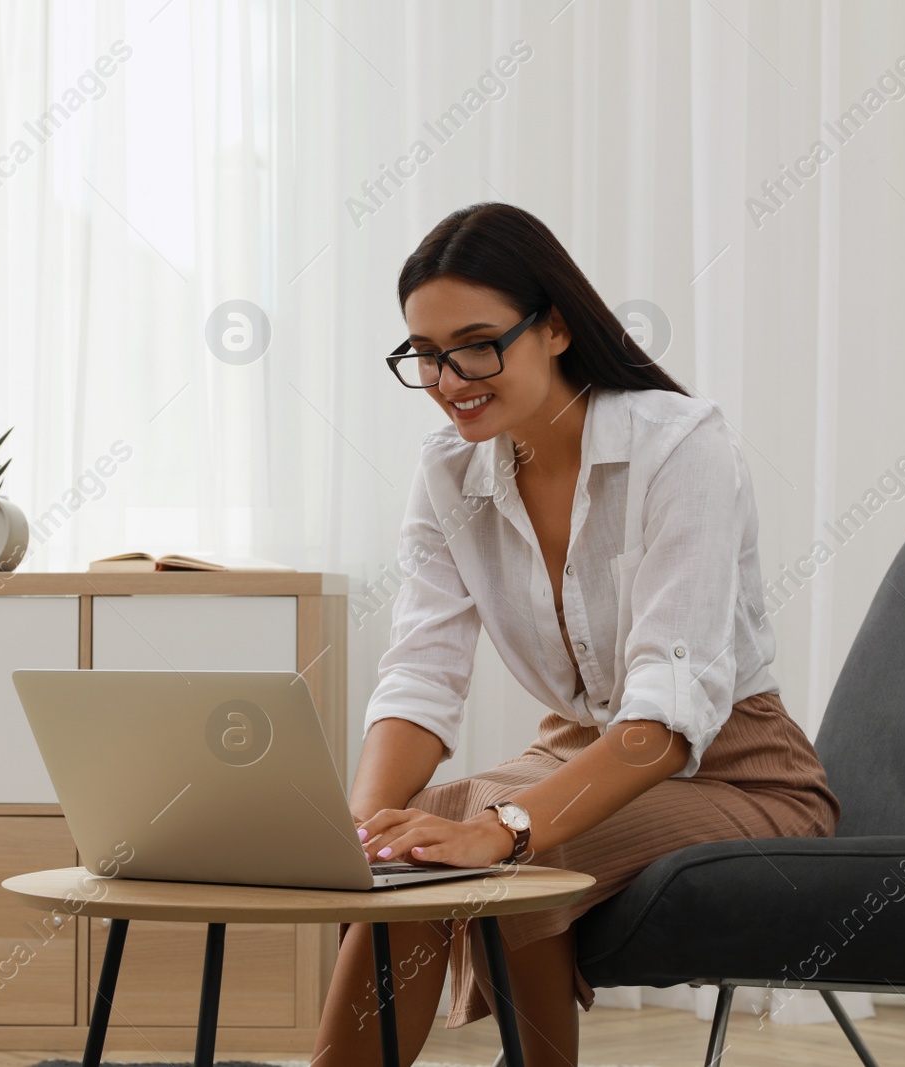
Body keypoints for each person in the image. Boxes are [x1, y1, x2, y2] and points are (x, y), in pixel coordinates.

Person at [311, 202, 841, 1067]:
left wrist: (510, 823)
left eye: (477, 344)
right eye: (425, 354)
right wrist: (361, 829)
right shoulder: (449, 472)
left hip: (740, 773)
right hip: (576, 748)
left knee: (500, 846)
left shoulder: (680, 446)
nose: (449, 379)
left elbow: (668, 720)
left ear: (554, 326)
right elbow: (419, 674)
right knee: (418, 830)